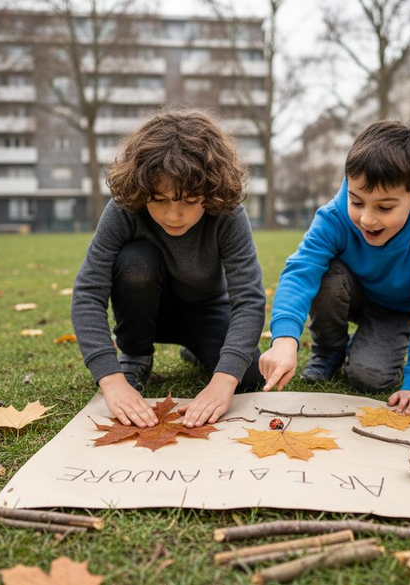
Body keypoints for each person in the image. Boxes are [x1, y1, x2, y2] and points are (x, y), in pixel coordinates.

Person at [71, 109, 266, 429]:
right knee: (136, 262)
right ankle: (136, 356)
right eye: (160, 199)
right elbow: (88, 293)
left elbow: (248, 299)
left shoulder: (228, 214)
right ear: (143, 188)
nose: (173, 215)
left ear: (210, 192)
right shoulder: (123, 209)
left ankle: (198, 349)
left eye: (189, 201)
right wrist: (111, 379)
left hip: (204, 308)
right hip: (143, 310)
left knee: (251, 376)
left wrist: (223, 380)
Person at [260, 121, 410, 414]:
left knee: (369, 377)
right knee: (326, 275)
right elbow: (301, 271)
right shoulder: (334, 216)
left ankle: (365, 347)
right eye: (357, 201)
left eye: (384, 208)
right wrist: (285, 338)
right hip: (349, 292)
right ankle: (329, 351)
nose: (367, 219)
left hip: (395, 310)